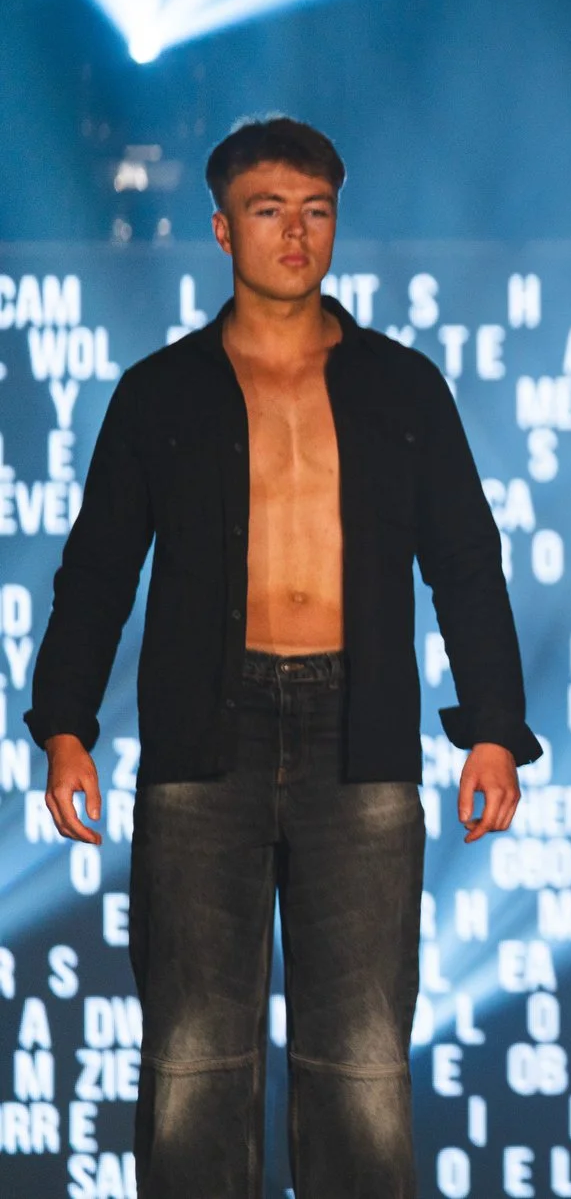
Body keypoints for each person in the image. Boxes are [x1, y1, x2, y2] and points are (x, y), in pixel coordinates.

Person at [28, 116, 538, 1199]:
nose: (295, 235)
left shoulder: (402, 387)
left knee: (359, 1069)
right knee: (193, 1069)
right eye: (269, 212)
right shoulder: (160, 393)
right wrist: (65, 725)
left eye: (316, 212)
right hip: (204, 738)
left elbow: (466, 562)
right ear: (222, 229)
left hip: (360, 735)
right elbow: (100, 569)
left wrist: (494, 729)